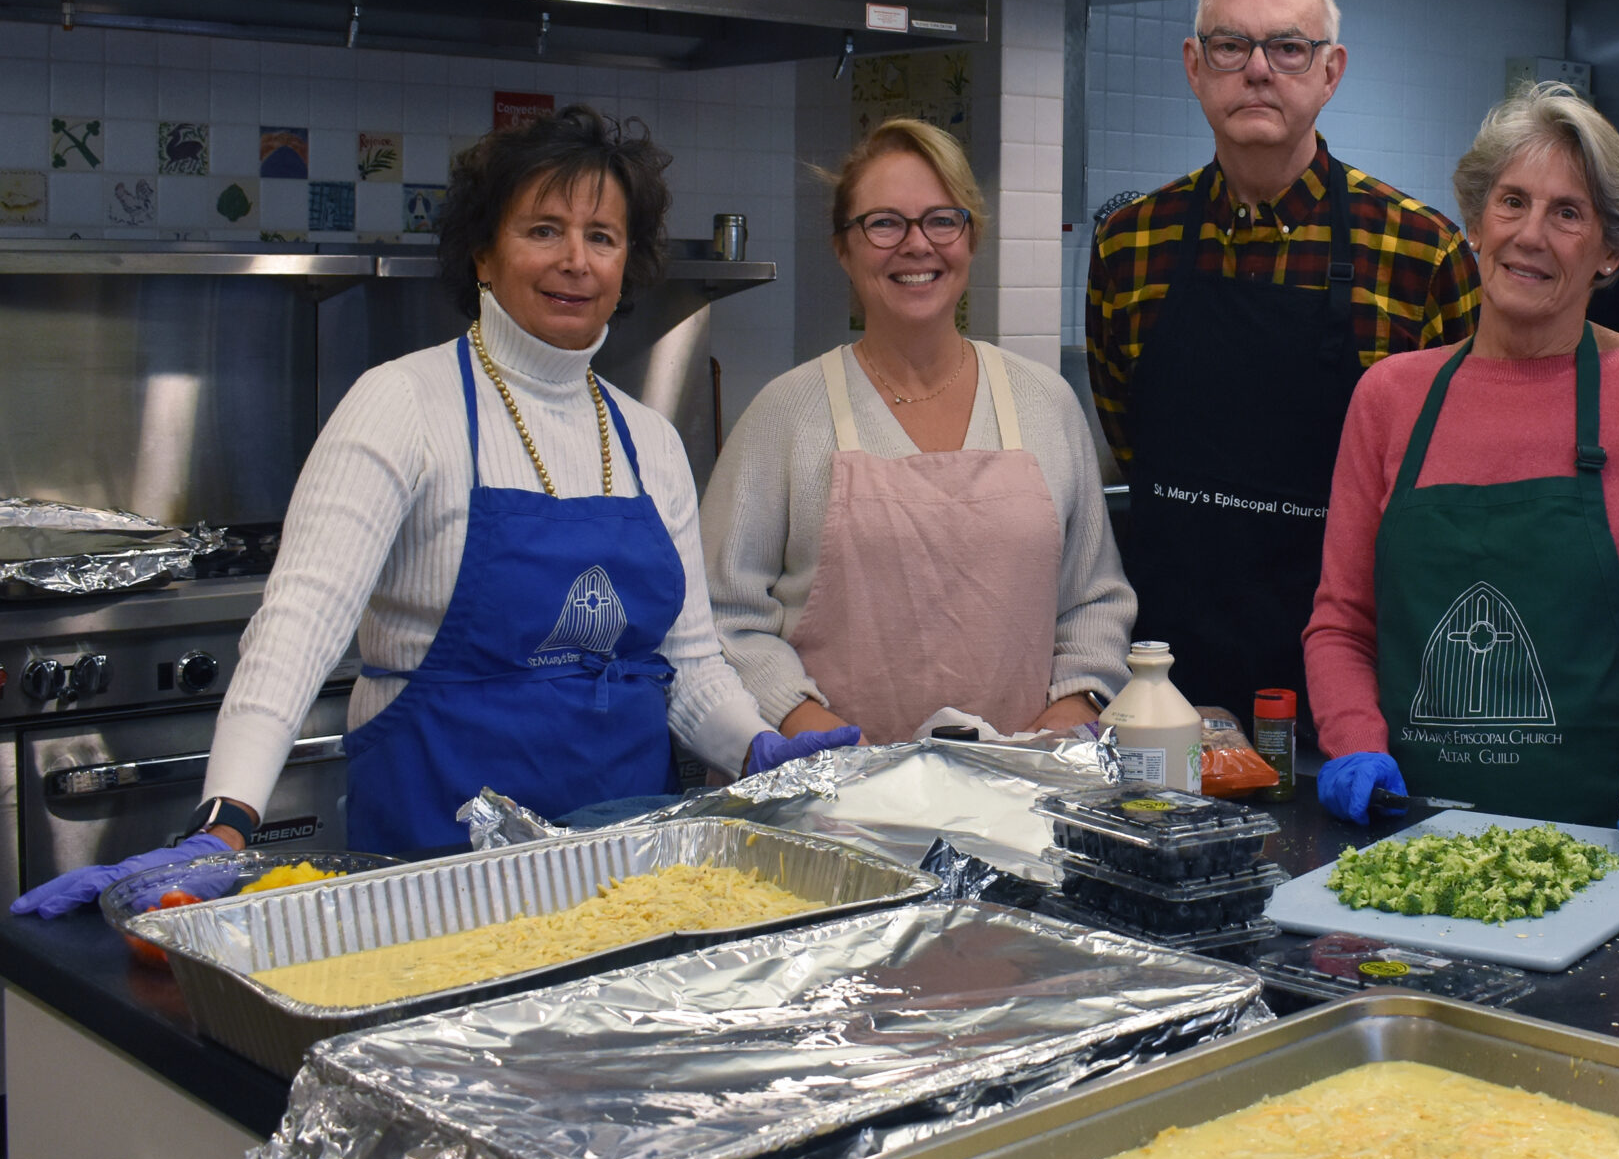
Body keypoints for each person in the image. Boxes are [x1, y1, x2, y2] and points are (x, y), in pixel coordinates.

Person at [15, 108, 855, 912]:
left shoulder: (649, 442)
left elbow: (688, 667)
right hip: (431, 874)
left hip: (622, 872)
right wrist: (226, 817)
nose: (576, 259)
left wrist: (758, 748)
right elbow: (298, 627)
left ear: (626, 265)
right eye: (543, 229)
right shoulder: (401, 404)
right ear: (484, 255)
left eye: (602, 236)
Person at [1304, 85, 1619, 847]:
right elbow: (1341, 623)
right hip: (1408, 836)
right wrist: (1354, 741)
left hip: (1605, 838)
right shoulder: (1390, 396)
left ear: (1610, 251)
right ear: (1475, 223)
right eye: (1511, 202)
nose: (1531, 234)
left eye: (1568, 212)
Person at [1086, 0, 1479, 724]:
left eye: (1288, 48)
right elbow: (1129, 437)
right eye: (1231, 46)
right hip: (1170, 686)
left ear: (1330, 72)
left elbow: (1448, 489)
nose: (1258, 70)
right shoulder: (1129, 244)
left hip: (1362, 682)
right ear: (1196, 66)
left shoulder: (1421, 250)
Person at [705, 118, 1133, 743]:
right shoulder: (786, 413)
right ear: (842, 248)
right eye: (884, 223)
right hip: (837, 802)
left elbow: (1093, 601)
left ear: (970, 237)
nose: (916, 245)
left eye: (941, 220)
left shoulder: (1045, 402)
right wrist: (825, 742)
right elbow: (725, 618)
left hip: (1018, 795)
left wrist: (1067, 715)